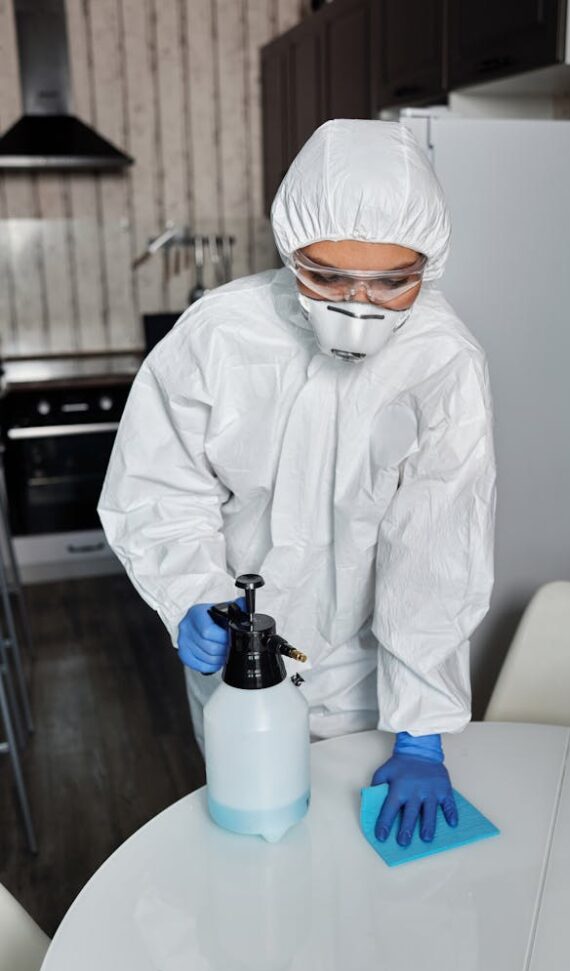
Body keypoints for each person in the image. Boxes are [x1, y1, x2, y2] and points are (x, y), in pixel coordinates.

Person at [98, 119, 496, 848]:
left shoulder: (443, 362)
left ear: (428, 266)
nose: (355, 304)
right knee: (259, 849)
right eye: (327, 275)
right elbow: (158, 488)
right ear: (289, 250)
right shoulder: (217, 336)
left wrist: (418, 734)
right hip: (236, 668)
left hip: (374, 681)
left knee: (363, 879)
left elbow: (438, 548)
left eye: (389, 283)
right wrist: (193, 594)